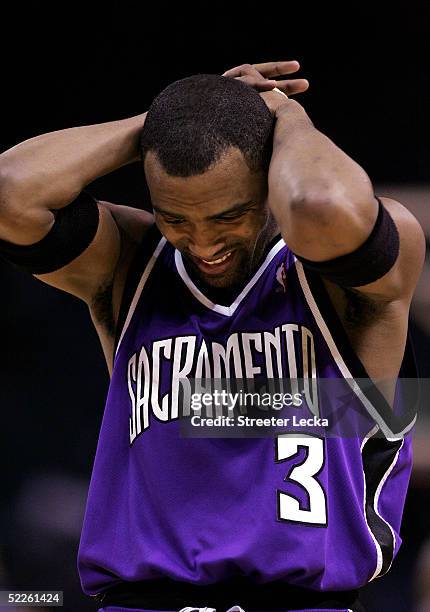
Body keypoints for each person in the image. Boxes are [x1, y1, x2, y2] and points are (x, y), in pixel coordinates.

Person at [0, 60, 424, 612]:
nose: (201, 242)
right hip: (141, 601)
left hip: (303, 601)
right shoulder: (133, 264)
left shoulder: (343, 282)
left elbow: (322, 205)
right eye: (176, 218)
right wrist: (173, 121)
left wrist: (283, 117)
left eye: (229, 216)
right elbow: (12, 193)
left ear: (270, 178)